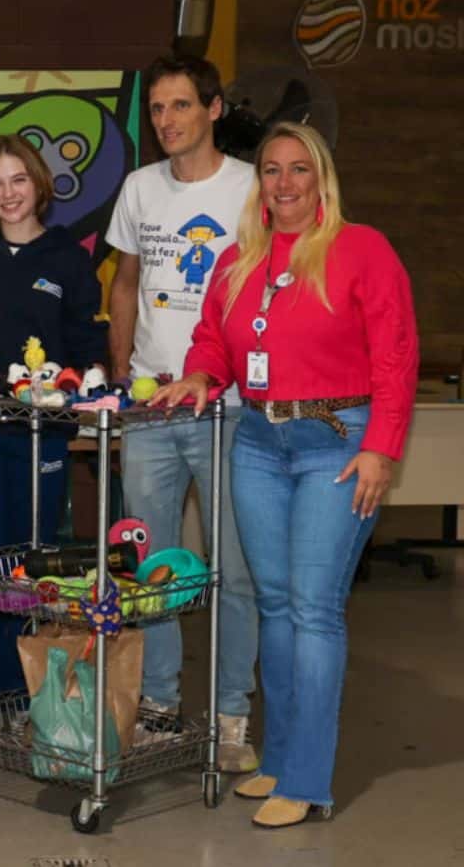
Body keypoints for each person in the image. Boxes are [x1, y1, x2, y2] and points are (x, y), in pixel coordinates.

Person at [153, 122, 417, 828]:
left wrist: (381, 448)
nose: (285, 183)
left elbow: (396, 357)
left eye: (300, 169)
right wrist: (200, 374)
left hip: (339, 443)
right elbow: (215, 335)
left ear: (321, 178)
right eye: (272, 170)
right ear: (260, 182)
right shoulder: (242, 259)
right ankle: (276, 760)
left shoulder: (363, 251)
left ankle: (306, 780)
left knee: (313, 608)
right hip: (260, 444)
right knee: (272, 603)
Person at [104, 54, 259, 767]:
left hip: (231, 411)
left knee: (234, 569)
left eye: (181, 107)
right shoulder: (139, 187)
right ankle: (160, 703)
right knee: (154, 570)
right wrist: (119, 385)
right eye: (158, 110)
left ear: (214, 109)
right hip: (149, 411)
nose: (166, 121)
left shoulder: (253, 189)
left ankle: (230, 717)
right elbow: (126, 285)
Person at [0, 134, 105, 701]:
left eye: (17, 180)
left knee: (34, 561)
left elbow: (88, 340)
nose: (7, 193)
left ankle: (35, 692)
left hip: (42, 436)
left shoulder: (68, 257)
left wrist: (97, 381)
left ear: (39, 183)